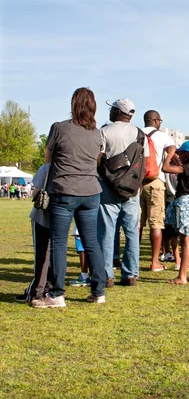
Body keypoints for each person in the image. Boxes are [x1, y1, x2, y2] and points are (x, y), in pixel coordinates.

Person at [32, 87, 105, 308]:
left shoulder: (59, 128)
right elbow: (97, 161)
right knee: (91, 242)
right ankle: (98, 291)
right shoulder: (96, 134)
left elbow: (48, 160)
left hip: (64, 191)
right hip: (91, 193)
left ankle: (57, 294)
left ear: (73, 103)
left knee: (59, 243)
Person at [97, 98, 148, 288]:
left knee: (107, 231)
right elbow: (145, 164)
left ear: (118, 112)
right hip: (132, 189)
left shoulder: (104, 131)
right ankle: (130, 274)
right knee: (131, 231)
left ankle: (106, 274)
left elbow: (98, 158)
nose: (109, 112)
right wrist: (136, 184)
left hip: (108, 186)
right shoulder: (140, 134)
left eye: (112, 109)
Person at [138, 110, 176, 272]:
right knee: (156, 224)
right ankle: (155, 262)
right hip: (156, 181)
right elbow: (173, 150)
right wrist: (167, 162)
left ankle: (133, 260)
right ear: (156, 121)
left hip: (137, 183)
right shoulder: (162, 136)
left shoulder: (136, 133)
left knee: (137, 224)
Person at [163, 141, 189, 283]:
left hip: (184, 204)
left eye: (181, 153)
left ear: (187, 154)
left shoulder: (186, 168)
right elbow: (178, 163)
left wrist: (169, 154)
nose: (179, 155)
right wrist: (174, 154)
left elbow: (165, 168)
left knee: (185, 242)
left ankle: (182, 276)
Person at [15, 163, 52, 303]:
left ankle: (37, 290)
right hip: (62, 218)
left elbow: (35, 193)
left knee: (42, 254)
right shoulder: (75, 167)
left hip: (43, 217)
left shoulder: (47, 168)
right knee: (55, 254)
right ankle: (51, 287)